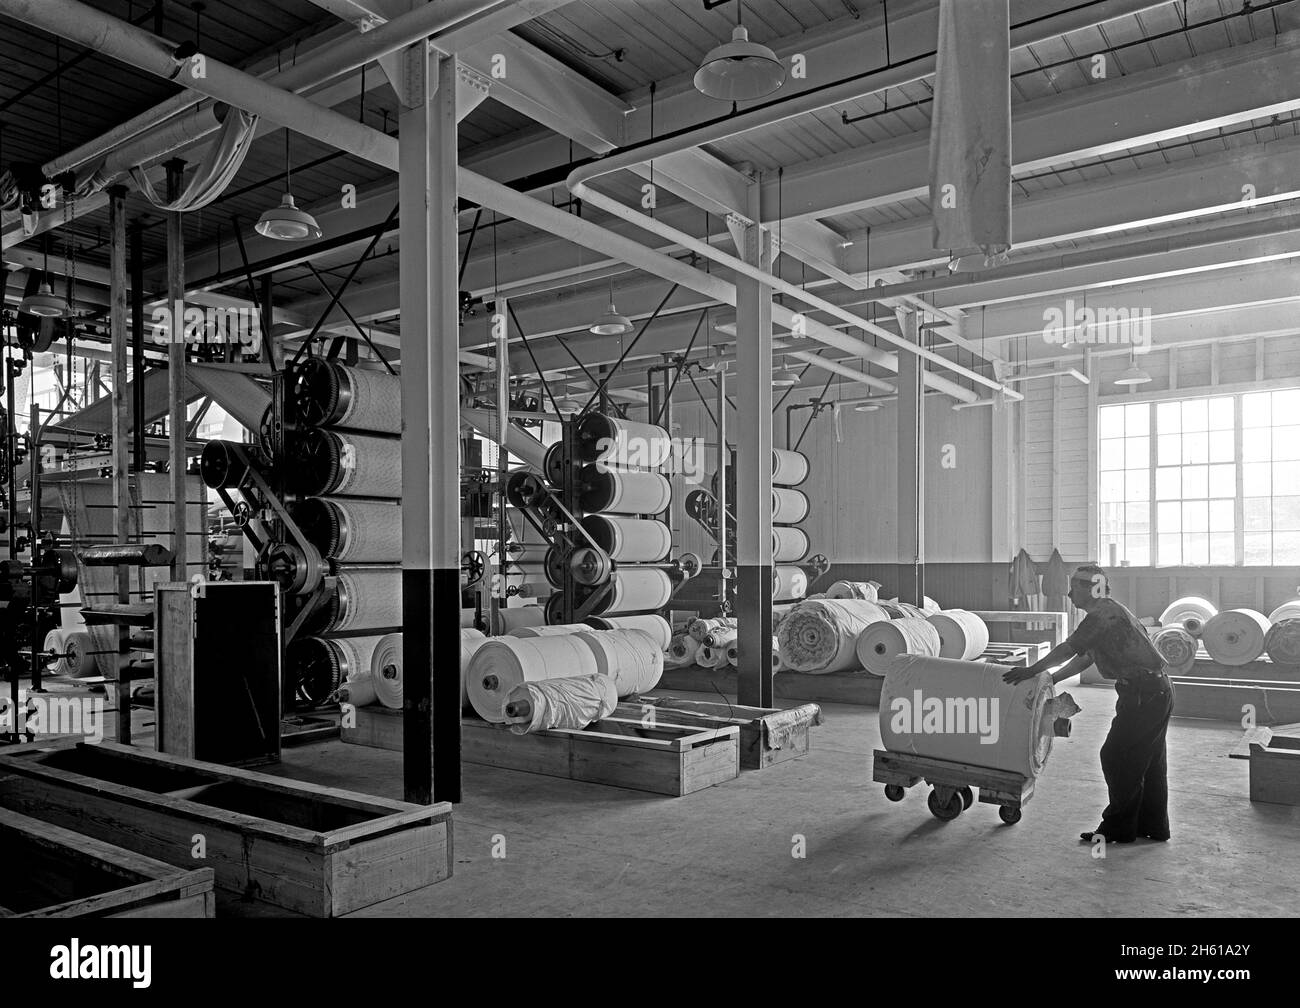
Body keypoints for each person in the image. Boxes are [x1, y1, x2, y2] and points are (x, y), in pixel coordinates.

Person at [1002, 564, 1173, 843]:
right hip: (1152, 691)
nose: (1069, 594)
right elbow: (1085, 658)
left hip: (1145, 694)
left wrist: (1031, 671)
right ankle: (1153, 826)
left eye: (1074, 588)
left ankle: (1118, 828)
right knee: (1148, 760)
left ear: (1091, 589)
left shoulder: (1102, 614)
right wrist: (1051, 680)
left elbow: (1068, 649)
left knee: (1116, 756)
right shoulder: (1107, 613)